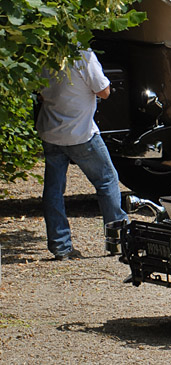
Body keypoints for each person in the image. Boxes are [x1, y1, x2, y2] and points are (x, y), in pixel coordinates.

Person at [36, 47, 127, 260]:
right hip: (81, 133)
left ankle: (61, 246)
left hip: (50, 132)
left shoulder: (42, 52)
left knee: (53, 190)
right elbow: (104, 90)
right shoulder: (83, 55)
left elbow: (40, 93)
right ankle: (118, 241)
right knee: (107, 181)